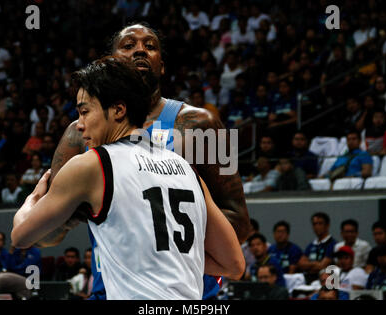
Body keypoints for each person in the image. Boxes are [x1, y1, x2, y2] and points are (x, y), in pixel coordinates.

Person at [40, 23, 250, 300]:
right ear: (110, 64)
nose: (140, 49)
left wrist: (163, 244)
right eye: (128, 46)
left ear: (161, 66)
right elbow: (46, 236)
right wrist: (73, 211)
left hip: (187, 293)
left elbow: (240, 222)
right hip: (111, 291)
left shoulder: (202, 123)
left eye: (150, 46)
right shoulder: (78, 133)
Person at [298, 212, 337, 283]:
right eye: (314, 224)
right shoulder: (311, 245)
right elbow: (301, 264)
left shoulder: (333, 244)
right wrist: (315, 263)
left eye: (320, 223)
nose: (317, 226)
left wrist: (309, 266)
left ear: (327, 225)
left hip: (324, 280)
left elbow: (322, 266)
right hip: (308, 279)